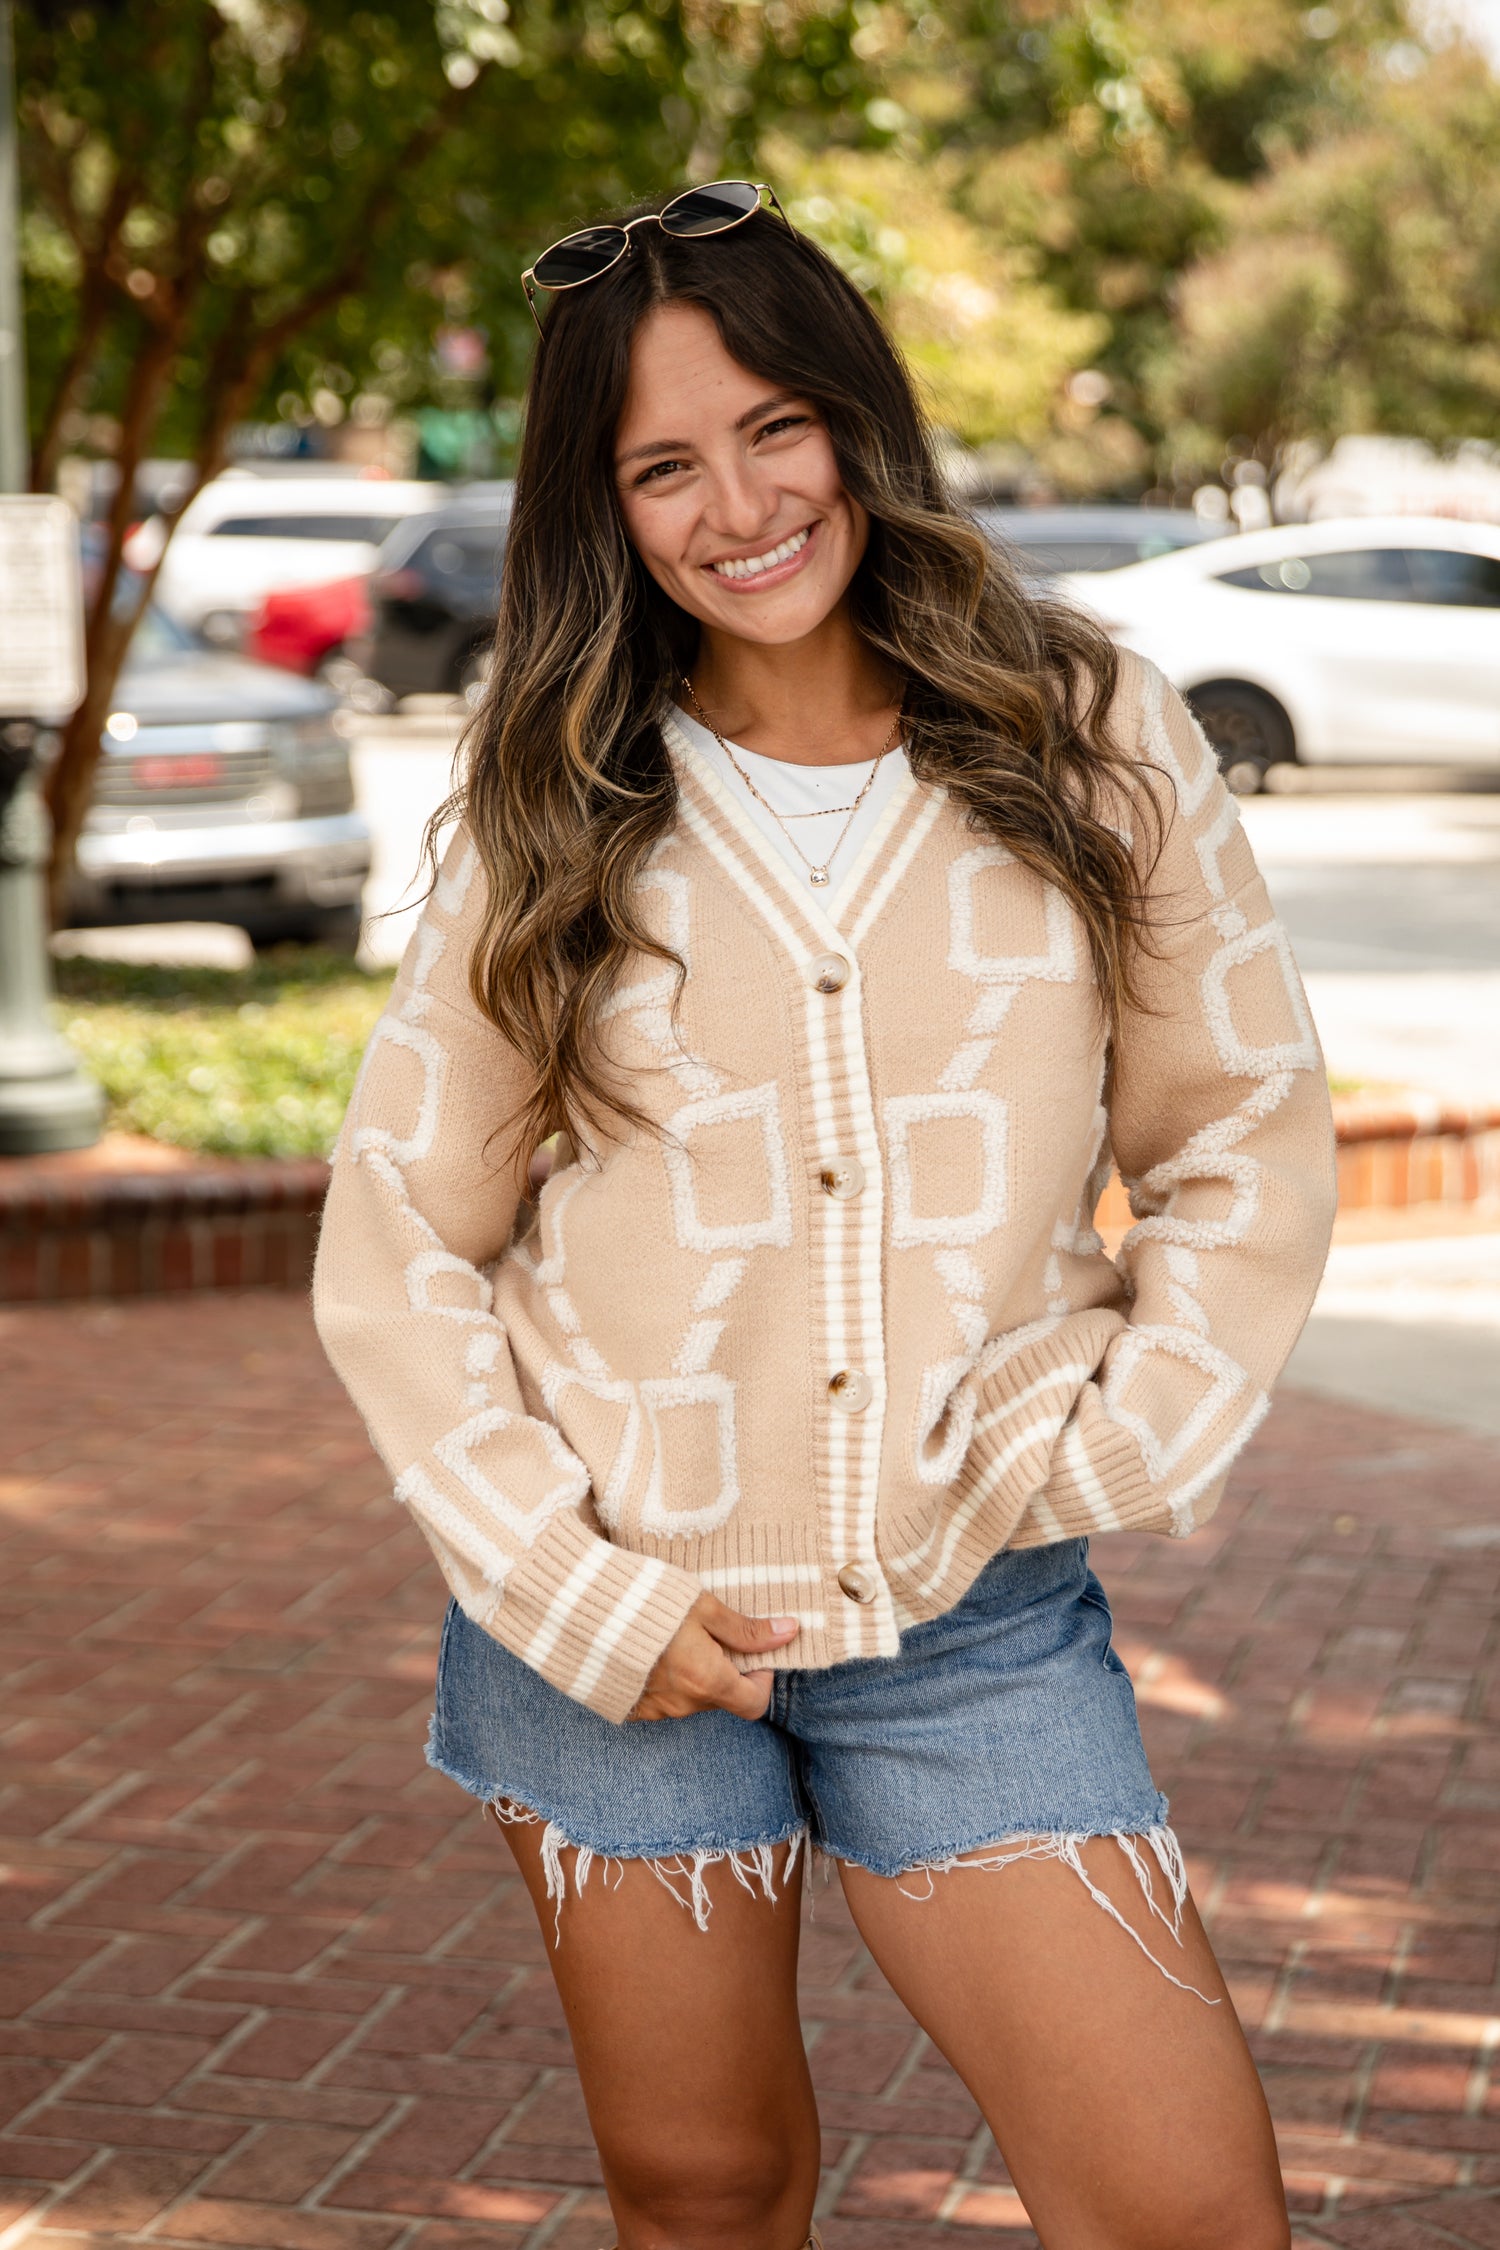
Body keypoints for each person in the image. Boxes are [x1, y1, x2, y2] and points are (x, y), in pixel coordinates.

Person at [313, 181, 1336, 2250]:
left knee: (1182, 2207)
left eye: (775, 426)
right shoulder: (559, 796)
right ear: (606, 509)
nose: (740, 504)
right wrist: (581, 1591)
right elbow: (399, 1241)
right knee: (707, 2189)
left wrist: (1127, 1432)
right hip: (610, 1623)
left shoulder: (1087, 729)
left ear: (859, 419)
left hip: (971, 1630)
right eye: (661, 467)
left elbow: (1245, 1119)